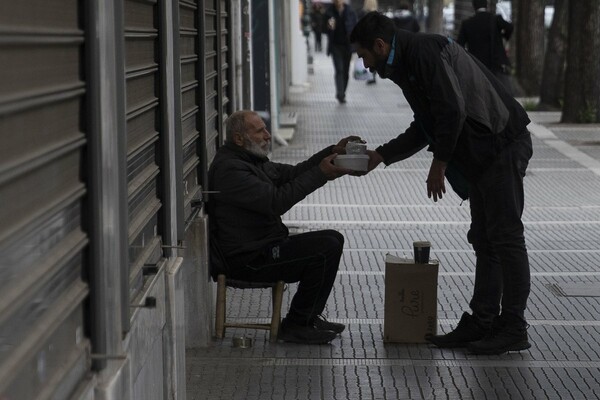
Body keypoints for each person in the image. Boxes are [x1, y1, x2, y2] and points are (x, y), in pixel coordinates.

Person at [350, 12, 533, 355]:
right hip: (483, 152)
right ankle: (483, 321)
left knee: (505, 237)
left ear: (379, 45)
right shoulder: (405, 61)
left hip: (501, 144)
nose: (366, 65)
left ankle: (513, 326)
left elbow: (451, 110)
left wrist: (440, 163)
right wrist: (381, 155)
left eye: (364, 56)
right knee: (485, 238)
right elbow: (425, 124)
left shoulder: (422, 53)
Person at [208, 110, 360, 344]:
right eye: (260, 131)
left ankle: (307, 318)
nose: (268, 135)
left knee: (332, 239)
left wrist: (332, 153)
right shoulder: (231, 170)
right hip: (249, 259)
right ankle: (297, 323)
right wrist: (320, 174)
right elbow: (276, 202)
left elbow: (292, 173)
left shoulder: (250, 160)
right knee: (326, 246)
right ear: (239, 138)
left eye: (265, 129)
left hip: (267, 247)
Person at [457, 0, 513, 94]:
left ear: (474, 6)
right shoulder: (495, 19)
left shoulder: (467, 24)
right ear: (486, 5)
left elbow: (460, 44)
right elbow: (510, 27)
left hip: (477, 65)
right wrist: (504, 36)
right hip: (495, 64)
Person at [325, 0, 358, 103]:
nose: (337, 2)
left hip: (347, 46)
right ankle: (340, 94)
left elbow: (355, 28)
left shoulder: (350, 11)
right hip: (335, 46)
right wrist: (329, 26)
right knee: (339, 70)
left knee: (346, 71)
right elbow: (324, 28)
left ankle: (343, 91)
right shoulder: (329, 11)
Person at [357, 0, 379, 85]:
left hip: (365, 39)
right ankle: (373, 75)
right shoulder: (377, 14)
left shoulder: (362, 13)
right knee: (375, 57)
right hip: (375, 39)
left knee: (366, 57)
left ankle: (369, 75)